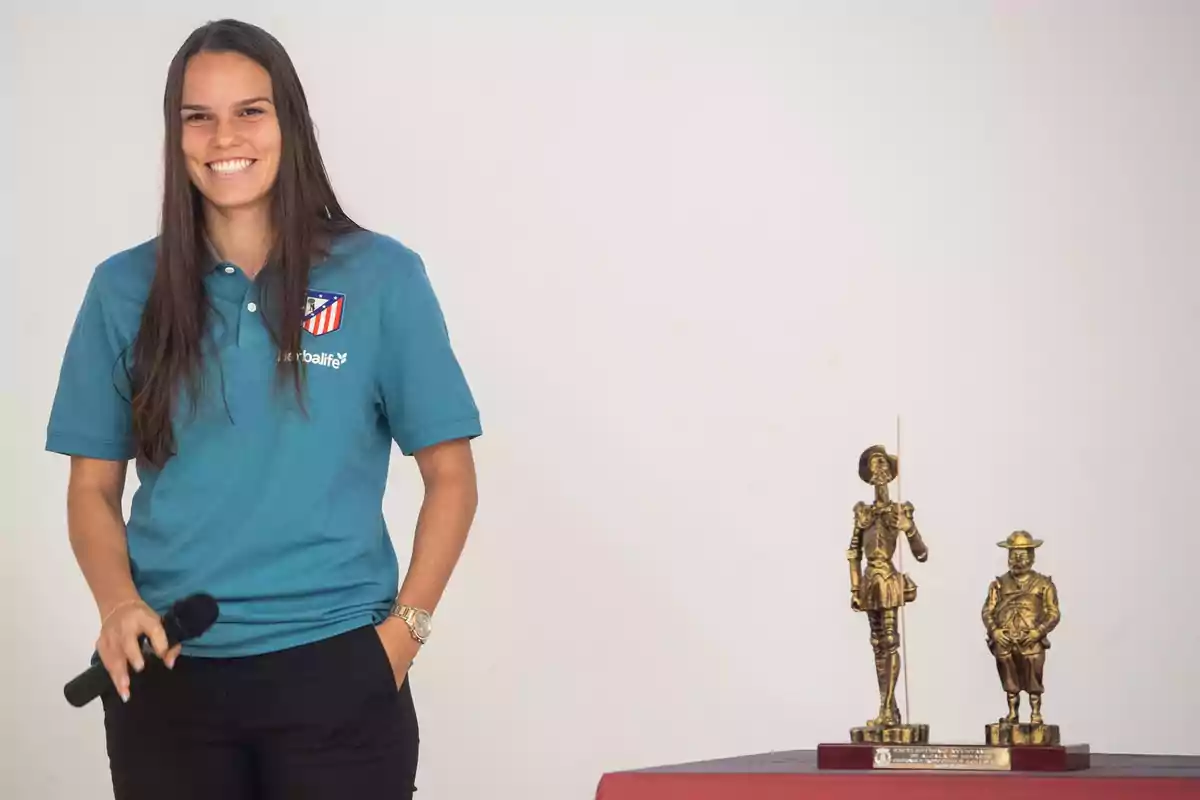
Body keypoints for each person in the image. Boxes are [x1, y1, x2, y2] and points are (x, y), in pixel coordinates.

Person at [44, 18, 481, 800]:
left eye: (250, 111)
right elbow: (91, 489)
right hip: (170, 678)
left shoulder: (382, 277)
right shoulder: (121, 290)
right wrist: (118, 604)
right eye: (197, 116)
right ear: (174, 136)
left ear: (289, 123)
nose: (223, 137)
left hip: (339, 674)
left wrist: (402, 636)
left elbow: (452, 477)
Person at [982, 531, 1061, 726]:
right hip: (1005, 640)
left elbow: (1053, 613)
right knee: (1008, 676)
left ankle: (1035, 712)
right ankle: (1012, 713)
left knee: (1034, 674)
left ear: (1032, 556)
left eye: (1022, 554)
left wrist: (1038, 632)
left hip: (1031, 640)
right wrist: (995, 631)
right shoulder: (998, 585)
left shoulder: (1044, 584)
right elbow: (987, 611)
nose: (1017, 559)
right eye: (1013, 554)